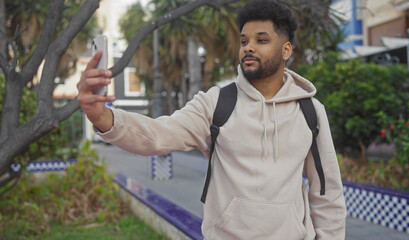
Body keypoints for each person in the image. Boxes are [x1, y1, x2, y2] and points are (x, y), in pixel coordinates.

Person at [77, 0, 347, 239]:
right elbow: (159, 134)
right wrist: (103, 117)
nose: (249, 48)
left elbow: (327, 193)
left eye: (261, 40)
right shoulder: (217, 103)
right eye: (244, 41)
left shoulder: (311, 111)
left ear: (286, 50)